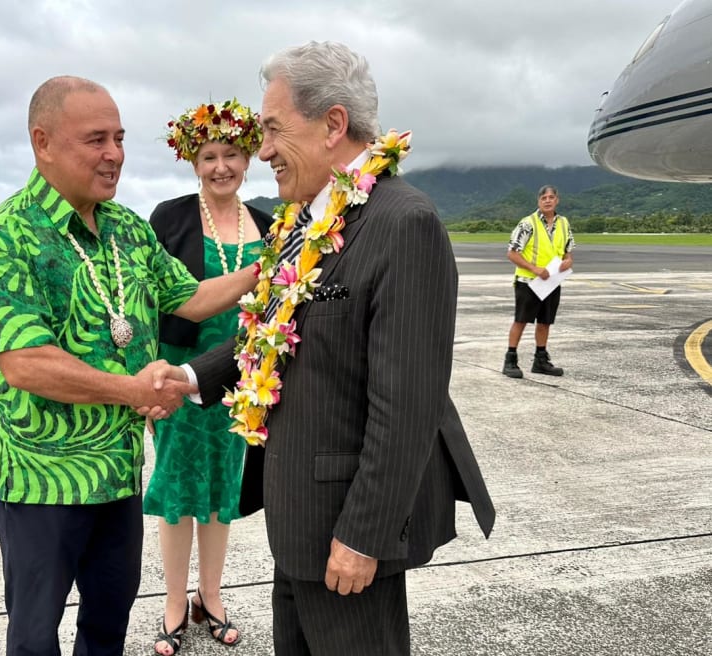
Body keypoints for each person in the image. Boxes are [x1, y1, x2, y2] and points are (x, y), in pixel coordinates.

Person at [150, 42, 497, 655]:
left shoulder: (401, 223)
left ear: (333, 125)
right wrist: (190, 378)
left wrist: (364, 534)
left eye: (275, 130)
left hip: (347, 533)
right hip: (299, 525)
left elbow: (407, 404)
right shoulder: (304, 223)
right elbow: (266, 333)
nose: (262, 151)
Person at [0, 76, 260, 656]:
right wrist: (132, 391)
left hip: (118, 474)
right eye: (96, 139)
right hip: (40, 480)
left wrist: (273, 269)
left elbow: (191, 297)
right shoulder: (8, 235)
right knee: (34, 635)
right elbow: (25, 362)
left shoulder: (128, 227)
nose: (115, 155)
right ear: (43, 142)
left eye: (120, 138)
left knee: (108, 624)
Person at [145, 98, 270, 654]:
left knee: (223, 489)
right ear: (194, 162)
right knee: (177, 487)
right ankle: (174, 601)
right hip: (179, 374)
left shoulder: (268, 223)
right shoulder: (168, 218)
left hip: (241, 379)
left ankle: (210, 597)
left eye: (232, 156)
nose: (221, 167)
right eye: (209, 157)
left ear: (249, 159)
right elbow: (147, 302)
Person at [502, 185, 575, 378]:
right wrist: (534, 269)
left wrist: (568, 261)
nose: (548, 200)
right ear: (539, 201)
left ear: (557, 200)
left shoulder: (564, 223)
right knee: (521, 320)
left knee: (545, 322)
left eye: (551, 197)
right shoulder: (528, 223)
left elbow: (568, 252)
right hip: (528, 281)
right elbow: (511, 252)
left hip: (552, 281)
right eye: (544, 198)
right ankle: (510, 359)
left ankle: (540, 360)